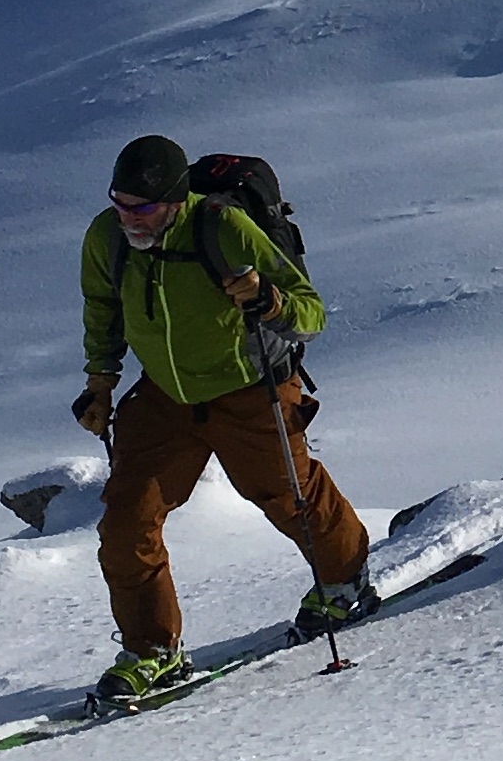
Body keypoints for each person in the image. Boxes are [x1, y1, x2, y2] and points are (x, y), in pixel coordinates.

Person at [75, 135, 372, 705]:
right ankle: (152, 651)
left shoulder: (222, 228)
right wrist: (99, 384)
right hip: (165, 396)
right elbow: (101, 308)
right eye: (119, 203)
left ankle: (344, 579)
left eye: (141, 208)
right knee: (126, 520)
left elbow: (310, 310)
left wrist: (269, 301)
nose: (127, 218)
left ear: (175, 199)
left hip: (248, 389)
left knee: (289, 495)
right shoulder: (106, 238)